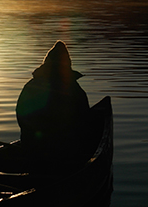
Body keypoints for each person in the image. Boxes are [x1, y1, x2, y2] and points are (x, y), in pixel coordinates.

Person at [16, 41, 91, 172]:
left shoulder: (31, 86)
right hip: (64, 153)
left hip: (34, 151)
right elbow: (84, 121)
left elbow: (22, 117)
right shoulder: (74, 89)